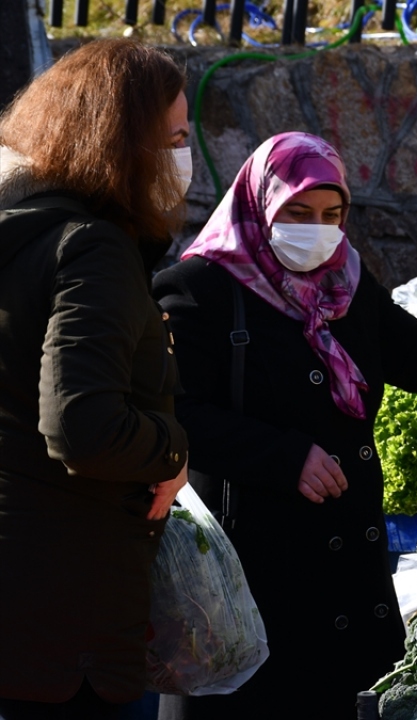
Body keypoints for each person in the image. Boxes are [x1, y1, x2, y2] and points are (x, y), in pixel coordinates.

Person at [153, 132, 417, 718]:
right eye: (298, 212)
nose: (317, 229)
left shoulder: (344, 282)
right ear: (258, 205)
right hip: (256, 571)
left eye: (333, 214)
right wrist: (284, 456)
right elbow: (172, 413)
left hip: (348, 569)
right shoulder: (199, 287)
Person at [0, 40, 191, 718]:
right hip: (60, 634)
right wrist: (171, 449)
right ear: (122, 142)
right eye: (173, 138)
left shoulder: (20, 231)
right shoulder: (91, 248)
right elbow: (85, 429)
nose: (182, 156)